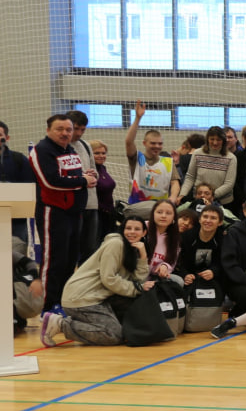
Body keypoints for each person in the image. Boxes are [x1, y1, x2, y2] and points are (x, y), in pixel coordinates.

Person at [39, 216, 152, 347]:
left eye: (137, 229)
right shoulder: (116, 244)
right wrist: (136, 288)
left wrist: (143, 256)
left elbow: (137, 280)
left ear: (144, 232)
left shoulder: (133, 249)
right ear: (122, 230)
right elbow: (109, 279)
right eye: (128, 228)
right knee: (114, 335)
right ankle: (60, 324)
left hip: (97, 297)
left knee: (124, 329)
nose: (132, 232)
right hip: (81, 297)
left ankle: (80, 322)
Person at [32, 114, 94, 311]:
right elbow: (50, 181)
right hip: (53, 213)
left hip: (74, 213)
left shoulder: (70, 149)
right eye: (60, 129)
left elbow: (71, 176)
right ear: (48, 130)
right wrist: (83, 181)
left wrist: (85, 176)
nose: (65, 133)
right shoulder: (42, 150)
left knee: (69, 261)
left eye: (68, 129)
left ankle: (62, 303)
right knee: (53, 261)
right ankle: (47, 306)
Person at [123, 108, 175, 211]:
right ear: (144, 143)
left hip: (160, 209)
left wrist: (173, 196)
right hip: (137, 208)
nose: (157, 146)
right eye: (153, 143)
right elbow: (129, 142)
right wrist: (138, 118)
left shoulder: (168, 162)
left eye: (160, 143)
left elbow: (175, 183)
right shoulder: (137, 158)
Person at [66, 110, 100, 263]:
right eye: (76, 129)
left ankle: (85, 276)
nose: (79, 133)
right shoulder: (60, 147)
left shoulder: (86, 145)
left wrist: (93, 174)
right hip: (72, 205)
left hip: (91, 204)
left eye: (83, 130)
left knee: (90, 248)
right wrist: (81, 178)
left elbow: (95, 171)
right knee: (71, 248)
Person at [180, 127, 237, 206]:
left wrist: (210, 196)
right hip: (199, 200)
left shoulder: (231, 158)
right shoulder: (197, 153)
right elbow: (190, 177)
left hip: (223, 202)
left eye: (218, 140)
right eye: (212, 139)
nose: (215, 142)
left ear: (223, 141)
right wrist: (182, 194)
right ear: (207, 139)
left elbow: (229, 184)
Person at [179, 205, 224, 287]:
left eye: (213, 218)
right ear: (200, 219)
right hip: (189, 277)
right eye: (205, 217)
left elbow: (224, 262)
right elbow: (179, 261)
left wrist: (214, 271)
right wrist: (185, 275)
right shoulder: (186, 237)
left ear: (220, 222)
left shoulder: (223, 239)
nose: (208, 220)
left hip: (213, 278)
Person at [145, 200, 182, 281]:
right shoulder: (143, 227)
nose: (163, 216)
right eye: (159, 212)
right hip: (137, 274)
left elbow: (172, 262)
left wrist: (165, 266)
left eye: (168, 213)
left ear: (174, 217)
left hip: (155, 276)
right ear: (153, 213)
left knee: (178, 281)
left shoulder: (174, 236)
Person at [89, 139, 117, 241]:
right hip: (96, 215)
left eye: (103, 153)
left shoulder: (103, 168)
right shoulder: (89, 171)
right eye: (97, 153)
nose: (101, 156)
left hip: (109, 214)